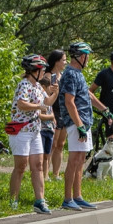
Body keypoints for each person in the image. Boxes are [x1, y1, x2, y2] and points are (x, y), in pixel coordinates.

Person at [59, 42, 113, 209]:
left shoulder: (78, 74)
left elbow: (87, 95)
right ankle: (68, 199)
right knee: (74, 160)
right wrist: (79, 125)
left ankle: (78, 196)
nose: (88, 59)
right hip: (77, 123)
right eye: (87, 56)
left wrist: (105, 110)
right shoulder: (69, 74)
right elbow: (69, 102)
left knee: (81, 159)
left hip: (84, 122)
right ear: (81, 56)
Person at [9, 55, 56, 213]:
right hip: (21, 130)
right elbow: (22, 104)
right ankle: (13, 200)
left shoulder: (37, 86)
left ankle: (40, 201)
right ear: (34, 70)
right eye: (41, 69)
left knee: (38, 165)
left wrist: (55, 93)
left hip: (35, 130)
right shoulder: (24, 84)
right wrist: (38, 107)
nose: (43, 72)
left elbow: (47, 102)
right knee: (21, 166)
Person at [44, 49, 68, 181]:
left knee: (61, 144)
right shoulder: (48, 76)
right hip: (53, 111)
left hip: (64, 112)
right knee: (52, 144)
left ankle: (56, 174)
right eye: (63, 60)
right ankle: (45, 174)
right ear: (56, 61)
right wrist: (51, 91)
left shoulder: (63, 75)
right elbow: (45, 95)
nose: (65, 62)